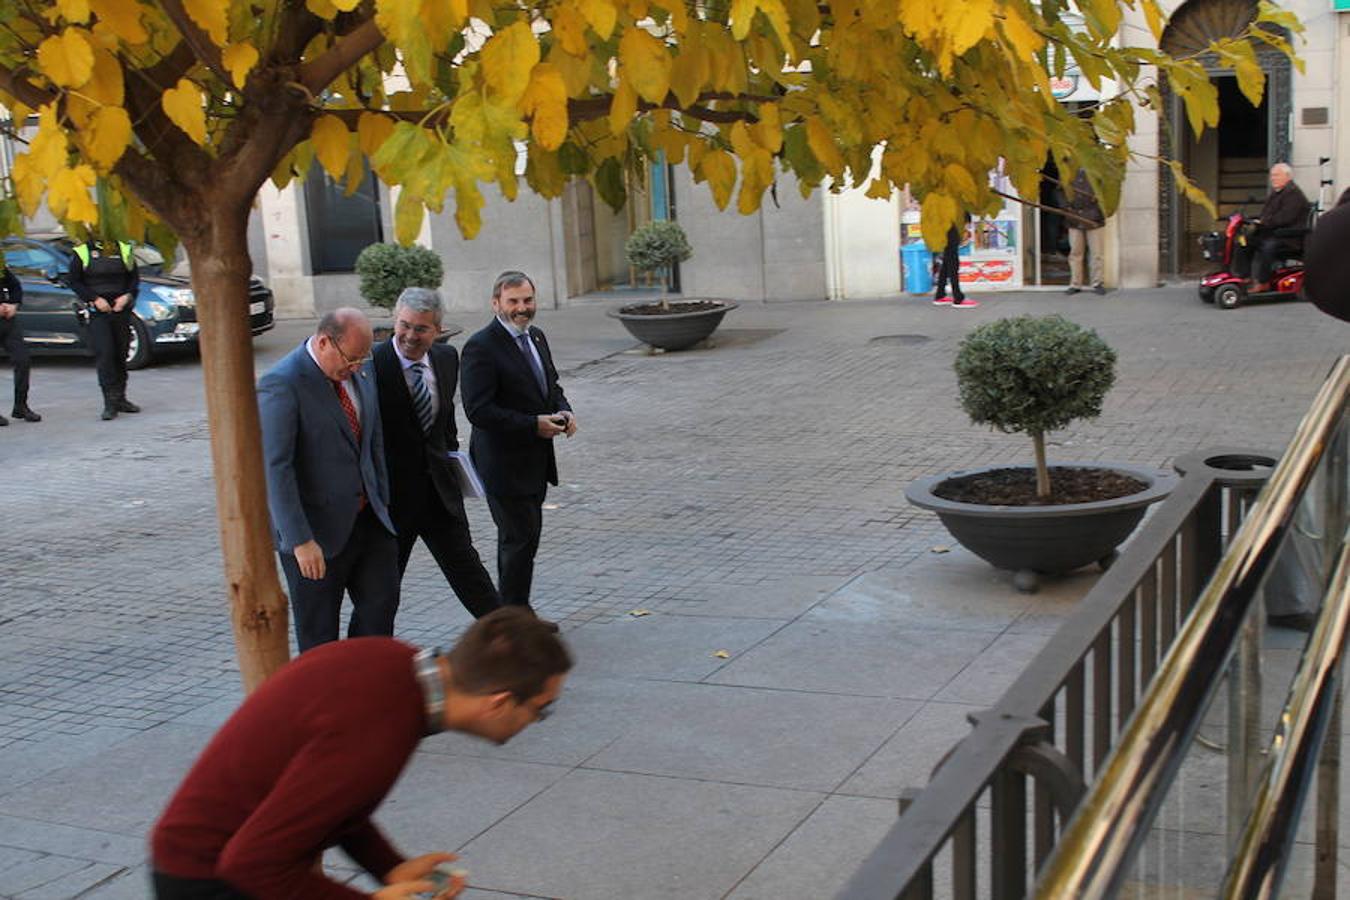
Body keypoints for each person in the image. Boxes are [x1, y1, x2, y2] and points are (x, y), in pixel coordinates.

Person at [150, 606, 572, 899]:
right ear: (498, 701)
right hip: (206, 878)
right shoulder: (383, 726)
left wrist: (387, 867)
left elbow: (333, 797)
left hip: (209, 860)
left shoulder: (394, 664)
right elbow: (252, 864)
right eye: (541, 709)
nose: (538, 720)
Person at [258, 308, 400, 651]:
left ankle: (363, 688)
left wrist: (381, 498)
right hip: (315, 535)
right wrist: (299, 540)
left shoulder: (361, 371)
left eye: (362, 359)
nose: (356, 367)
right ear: (324, 342)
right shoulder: (281, 384)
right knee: (319, 634)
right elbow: (276, 468)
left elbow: (373, 438)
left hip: (369, 521)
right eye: (351, 359)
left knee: (379, 613)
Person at [372, 288, 501, 620]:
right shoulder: (371, 364)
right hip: (392, 503)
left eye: (421, 329)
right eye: (404, 325)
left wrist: (454, 464)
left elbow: (444, 425)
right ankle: (367, 657)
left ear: (438, 330)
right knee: (382, 591)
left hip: (440, 495)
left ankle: (510, 639)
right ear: (395, 320)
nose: (410, 336)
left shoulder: (446, 359)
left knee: (469, 571)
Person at [460, 271, 576, 609]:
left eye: (527, 300)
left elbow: (551, 388)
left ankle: (516, 615)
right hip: (503, 465)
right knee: (518, 541)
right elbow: (478, 410)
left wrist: (564, 411)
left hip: (535, 462)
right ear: (496, 303)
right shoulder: (480, 347)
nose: (522, 308)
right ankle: (512, 621)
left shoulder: (536, 337)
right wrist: (532, 425)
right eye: (513, 302)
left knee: (526, 541)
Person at [66, 235, 140, 420]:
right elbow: (74, 281)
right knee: (105, 354)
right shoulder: (82, 251)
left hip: (120, 310)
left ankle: (121, 398)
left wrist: (127, 296)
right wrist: (95, 299)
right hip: (98, 312)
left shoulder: (124, 248)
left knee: (120, 354)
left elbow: (134, 278)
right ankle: (109, 403)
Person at [1234, 162, 1311, 292]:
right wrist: (1257, 222)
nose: (1273, 178)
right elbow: (1266, 214)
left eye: (1276, 175)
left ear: (1288, 177)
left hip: (1289, 237)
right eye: (1272, 175)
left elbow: (1286, 218)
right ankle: (1244, 277)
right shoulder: (1276, 193)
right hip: (1274, 232)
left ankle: (1263, 282)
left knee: (1267, 247)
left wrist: (1264, 222)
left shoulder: (1294, 194)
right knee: (1244, 241)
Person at [0, 264, 40, 425]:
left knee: (23, 360)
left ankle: (21, 406)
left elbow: (15, 286)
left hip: (7, 321)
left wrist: (14, 304)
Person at [1059, 170, 1107, 295]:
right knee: (1075, 253)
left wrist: (1097, 211)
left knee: (1097, 253)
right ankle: (1075, 283)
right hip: (1074, 218)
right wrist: (1067, 209)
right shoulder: (1068, 169)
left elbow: (1106, 192)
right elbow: (1059, 191)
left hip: (1094, 219)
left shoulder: (1096, 169)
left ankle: (1097, 282)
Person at [932, 214, 978, 309]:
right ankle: (958, 298)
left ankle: (940, 294)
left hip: (945, 224)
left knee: (947, 260)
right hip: (952, 224)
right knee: (953, 260)